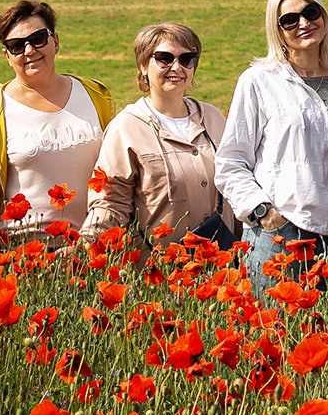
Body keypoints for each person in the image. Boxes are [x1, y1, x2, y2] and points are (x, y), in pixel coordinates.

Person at [215, 0, 328, 297]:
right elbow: (231, 162)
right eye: (289, 20)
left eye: (311, 12)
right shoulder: (260, 81)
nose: (303, 23)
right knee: (273, 335)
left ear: (324, 18)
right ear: (278, 31)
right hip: (278, 238)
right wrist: (264, 213)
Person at [0, 0, 112, 249]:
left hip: (89, 249)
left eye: (38, 38)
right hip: (23, 255)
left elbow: (119, 165)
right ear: (7, 56)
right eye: (16, 46)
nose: (29, 50)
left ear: (56, 42)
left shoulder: (95, 95)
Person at [81, 22, 238, 254]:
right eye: (165, 58)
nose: (177, 67)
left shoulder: (213, 118)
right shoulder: (126, 128)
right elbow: (111, 202)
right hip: (159, 274)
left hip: (221, 263)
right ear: (144, 65)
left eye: (187, 59)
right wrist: (88, 248)